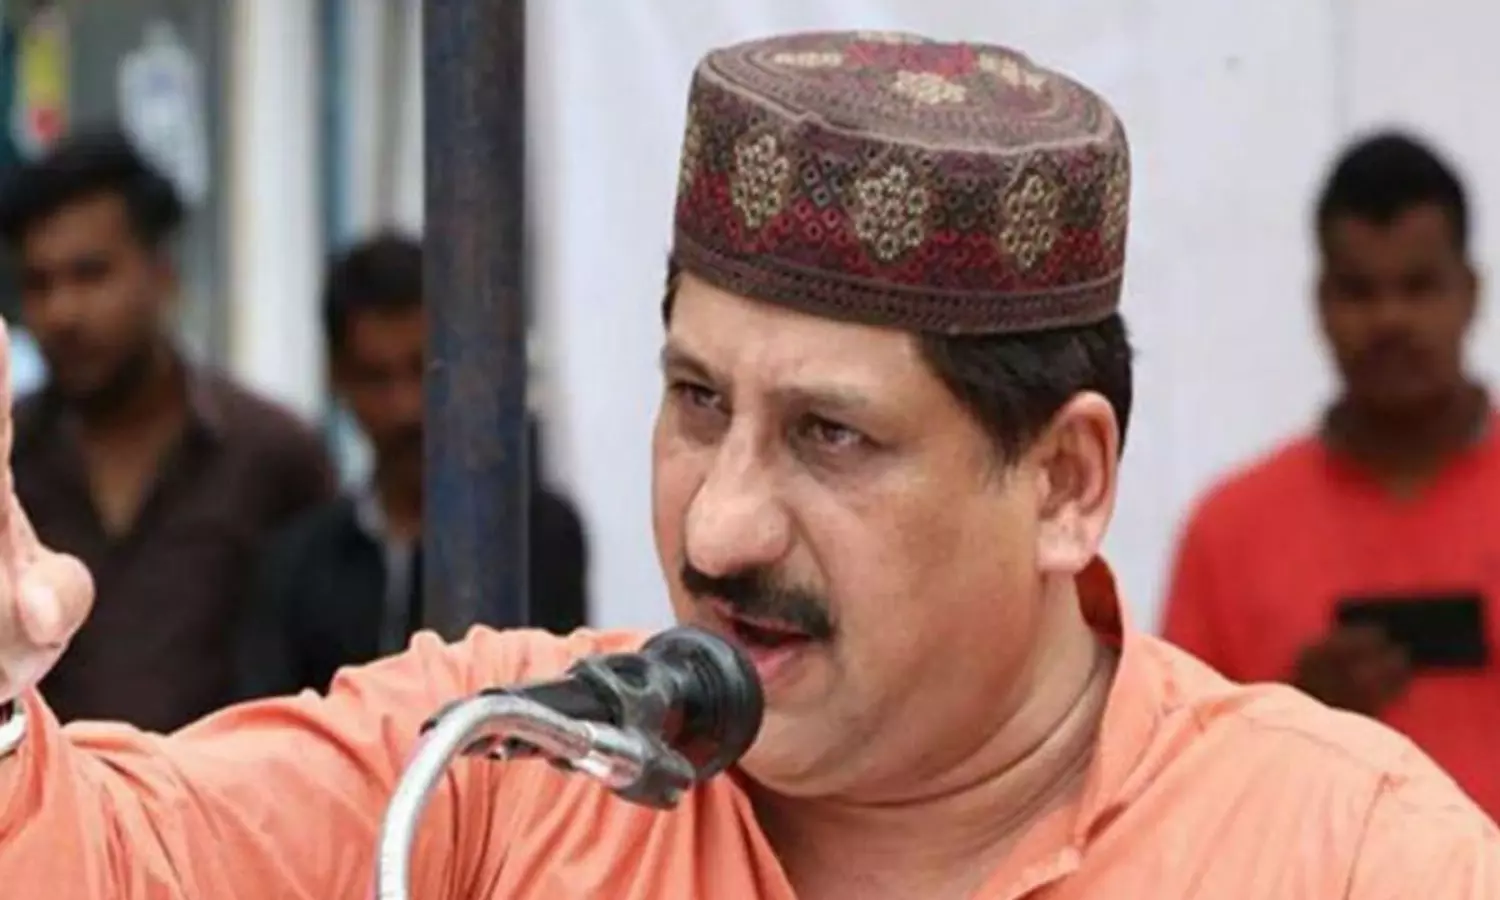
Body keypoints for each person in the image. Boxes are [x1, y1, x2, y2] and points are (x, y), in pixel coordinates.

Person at [0, 33, 1496, 899]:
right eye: (697, 401)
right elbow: (116, 861)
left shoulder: (1346, 854)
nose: (716, 529)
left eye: (832, 436)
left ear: (1064, 483)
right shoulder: (503, 770)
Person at [1159, 132, 1500, 820]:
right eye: (1359, 291)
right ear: (1320, 302)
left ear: (1470, 292)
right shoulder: (1231, 529)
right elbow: (1169, 793)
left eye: (1418, 286)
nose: (1390, 319)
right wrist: (1292, 714)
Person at [0, 128, 333, 733]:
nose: (62, 311)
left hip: (232, 790)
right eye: (39, 284)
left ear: (161, 273)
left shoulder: (270, 455)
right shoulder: (9, 462)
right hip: (43, 789)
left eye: (90, 274)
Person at [235, 235, 590, 699]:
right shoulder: (296, 565)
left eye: (421, 371)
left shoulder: (536, 537)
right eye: (375, 378)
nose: (404, 408)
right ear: (338, 378)